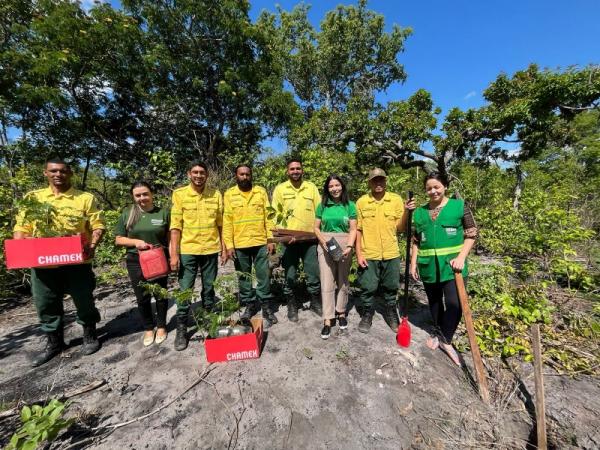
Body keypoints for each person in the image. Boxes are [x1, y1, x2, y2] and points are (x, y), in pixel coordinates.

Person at [13, 157, 105, 367]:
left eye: (63, 171)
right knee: (45, 302)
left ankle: (90, 335)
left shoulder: (84, 198)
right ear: (45, 173)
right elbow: (22, 227)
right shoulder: (33, 199)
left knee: (84, 299)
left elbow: (97, 225)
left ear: (70, 174)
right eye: (53, 171)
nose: (58, 175)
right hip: (43, 262)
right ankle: (54, 342)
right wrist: (21, 247)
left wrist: (92, 245)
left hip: (76, 262)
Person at [409, 171, 477, 366]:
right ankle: (439, 332)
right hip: (428, 266)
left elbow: (471, 234)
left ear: (445, 186)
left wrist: (461, 258)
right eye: (429, 188)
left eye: (437, 187)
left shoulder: (459, 206)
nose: (433, 191)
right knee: (435, 303)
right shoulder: (420, 212)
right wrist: (413, 263)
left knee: (456, 305)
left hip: (453, 267)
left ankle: (445, 339)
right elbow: (416, 240)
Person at [169, 161, 225, 351]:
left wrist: (224, 248)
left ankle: (210, 324)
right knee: (185, 290)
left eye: (202, 172)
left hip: (210, 248)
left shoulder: (215, 194)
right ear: (189, 174)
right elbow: (175, 226)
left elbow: (220, 224)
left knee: (209, 289)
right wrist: (174, 254)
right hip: (188, 250)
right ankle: (181, 328)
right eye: (195, 172)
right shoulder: (179, 194)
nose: (199, 175)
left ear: (207, 175)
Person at [355, 168, 415, 334]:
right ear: (369, 182)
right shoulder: (361, 202)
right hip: (369, 252)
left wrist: (407, 213)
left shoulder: (395, 200)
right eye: (375, 180)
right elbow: (358, 230)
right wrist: (359, 253)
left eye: (381, 180)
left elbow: (401, 228)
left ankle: (390, 311)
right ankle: (367, 313)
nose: (378, 183)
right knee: (368, 286)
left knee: (391, 286)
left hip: (390, 252)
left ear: (386, 181)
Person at [115, 181, 170, 347]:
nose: (142, 198)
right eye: (137, 195)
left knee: (160, 294)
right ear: (133, 197)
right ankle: (148, 328)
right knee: (142, 296)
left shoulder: (163, 213)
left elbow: (170, 237)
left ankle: (161, 326)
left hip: (158, 259)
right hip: (135, 260)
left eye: (145, 194)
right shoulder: (127, 214)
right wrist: (135, 242)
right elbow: (118, 239)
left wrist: (173, 256)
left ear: (152, 194)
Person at [222, 165, 277, 328]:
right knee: (244, 277)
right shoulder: (229, 194)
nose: (245, 177)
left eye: (247, 174)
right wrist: (229, 245)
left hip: (260, 242)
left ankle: (266, 307)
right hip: (239, 244)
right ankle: (249, 305)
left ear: (251, 175)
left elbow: (269, 216)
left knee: (263, 276)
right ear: (236, 176)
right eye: (241, 174)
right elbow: (227, 220)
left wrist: (270, 238)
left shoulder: (260, 192)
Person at [272, 158, 321, 321]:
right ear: (287, 171)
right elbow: (275, 215)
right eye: (292, 169)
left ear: (302, 170)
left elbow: (319, 212)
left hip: (309, 240)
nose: (295, 171)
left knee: (313, 273)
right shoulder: (280, 189)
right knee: (290, 273)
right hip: (289, 241)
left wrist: (318, 233)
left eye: (298, 168)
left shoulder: (311, 188)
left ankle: (315, 301)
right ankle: (292, 304)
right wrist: (281, 237)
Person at [313, 175, 357, 339]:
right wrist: (323, 241)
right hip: (326, 243)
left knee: (343, 280)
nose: (334, 189)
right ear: (327, 189)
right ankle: (328, 319)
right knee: (326, 281)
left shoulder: (350, 205)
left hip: (345, 243)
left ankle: (341, 312)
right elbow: (316, 228)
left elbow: (353, 229)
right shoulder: (322, 206)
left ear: (342, 186)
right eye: (331, 186)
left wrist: (349, 246)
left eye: (337, 185)